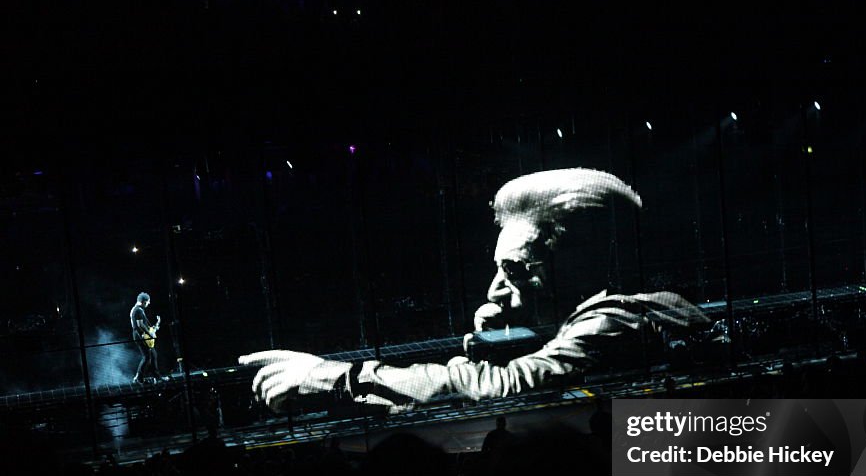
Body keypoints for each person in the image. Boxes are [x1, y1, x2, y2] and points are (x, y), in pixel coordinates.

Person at [241, 168, 710, 412]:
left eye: (519, 270)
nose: (496, 291)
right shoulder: (635, 310)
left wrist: (338, 377)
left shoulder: (617, 319)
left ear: (589, 263)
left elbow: (506, 393)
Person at [131, 292, 158, 383]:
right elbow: (140, 325)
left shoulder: (137, 309)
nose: (149, 303)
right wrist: (150, 335)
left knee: (151, 355)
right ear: (144, 302)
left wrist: (152, 329)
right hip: (140, 336)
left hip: (140, 335)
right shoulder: (138, 310)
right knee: (146, 357)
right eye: (148, 301)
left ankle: (143, 377)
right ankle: (139, 378)